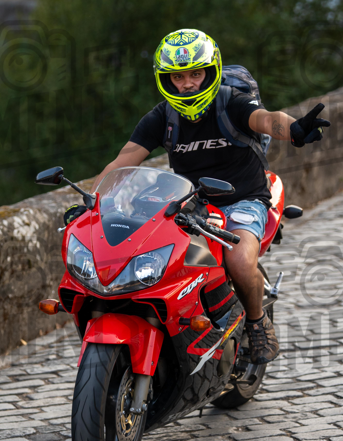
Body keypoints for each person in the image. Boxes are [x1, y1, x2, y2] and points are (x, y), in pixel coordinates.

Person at [92, 28, 330, 365]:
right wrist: (92, 203)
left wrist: (294, 129)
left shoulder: (230, 103)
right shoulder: (162, 116)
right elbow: (122, 162)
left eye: (196, 74)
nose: (187, 84)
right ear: (165, 79)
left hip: (244, 199)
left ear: (211, 72)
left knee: (238, 260)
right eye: (178, 77)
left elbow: (265, 119)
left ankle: (257, 322)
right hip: (192, 204)